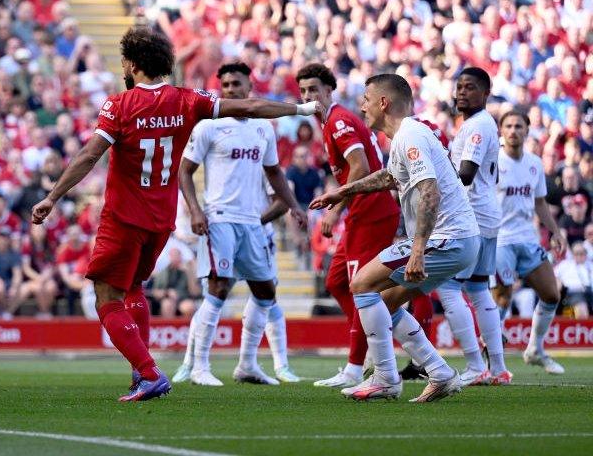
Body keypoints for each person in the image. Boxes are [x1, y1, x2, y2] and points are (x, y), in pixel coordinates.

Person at [31, 26, 320, 402]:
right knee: (133, 288)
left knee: (106, 296)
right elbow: (248, 108)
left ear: (133, 64)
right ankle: (141, 373)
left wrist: (53, 197)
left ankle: (150, 373)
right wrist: (302, 109)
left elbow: (89, 156)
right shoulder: (187, 100)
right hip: (161, 221)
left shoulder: (119, 105)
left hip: (123, 217)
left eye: (123, 59)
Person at [310, 74, 475, 402]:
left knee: (360, 284)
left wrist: (417, 251)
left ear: (383, 103)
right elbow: (390, 177)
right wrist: (344, 191)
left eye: (367, 99)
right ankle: (440, 373)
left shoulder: (410, 136)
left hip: (447, 238)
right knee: (385, 301)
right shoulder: (407, 136)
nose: (362, 106)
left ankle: (385, 378)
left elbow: (430, 191)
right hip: (457, 240)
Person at [171, 62, 307, 387]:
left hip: (252, 222)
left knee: (265, 290)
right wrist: (195, 210)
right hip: (219, 218)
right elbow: (184, 171)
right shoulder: (208, 127)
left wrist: (294, 207)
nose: (231, 89)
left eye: (237, 84)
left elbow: (275, 174)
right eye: (226, 85)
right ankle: (199, 367)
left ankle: (247, 364)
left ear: (249, 87)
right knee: (218, 288)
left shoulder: (263, 130)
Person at [295, 63, 401, 389]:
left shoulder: (339, 120)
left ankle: (357, 367)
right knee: (337, 281)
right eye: (303, 91)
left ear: (329, 90)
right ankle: (368, 340)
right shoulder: (329, 122)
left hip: (370, 211)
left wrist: (334, 209)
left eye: (314, 89)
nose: (308, 96)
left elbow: (361, 165)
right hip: (361, 212)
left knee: (361, 290)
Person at [439, 67, 506, 386]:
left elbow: (465, 174)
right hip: (487, 215)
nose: (462, 92)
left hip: (473, 218)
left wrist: (433, 170)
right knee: (479, 289)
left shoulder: (478, 126)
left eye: (470, 87)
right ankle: (498, 368)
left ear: (485, 93)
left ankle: (475, 364)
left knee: (449, 287)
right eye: (459, 87)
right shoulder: (476, 124)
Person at [493, 111, 568, 375]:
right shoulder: (493, 163)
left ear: (527, 131)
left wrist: (556, 232)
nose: (513, 130)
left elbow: (539, 203)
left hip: (527, 237)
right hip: (500, 239)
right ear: (501, 131)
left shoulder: (534, 163)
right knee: (502, 297)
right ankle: (490, 357)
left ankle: (534, 349)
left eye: (518, 126)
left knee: (551, 294)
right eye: (509, 126)